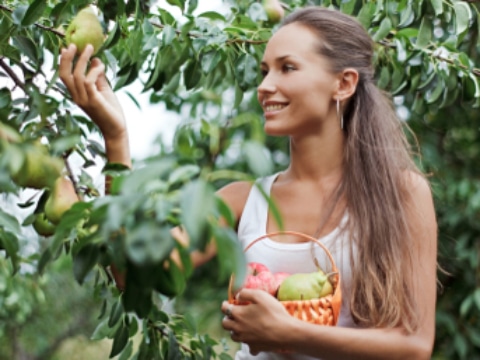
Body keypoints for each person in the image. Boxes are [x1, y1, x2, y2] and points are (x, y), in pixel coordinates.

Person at [59, 6, 437, 360]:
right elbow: (135, 278)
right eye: (264, 71)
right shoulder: (241, 201)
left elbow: (415, 344)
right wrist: (115, 137)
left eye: (287, 68)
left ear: (344, 83)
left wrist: (289, 333)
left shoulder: (400, 193)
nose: (265, 86)